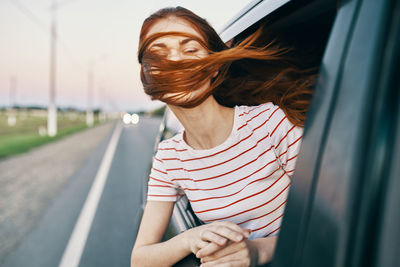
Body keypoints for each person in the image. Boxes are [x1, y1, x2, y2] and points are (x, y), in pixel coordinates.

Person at [131, 6, 315, 267]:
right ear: (149, 75)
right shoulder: (168, 158)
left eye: (190, 50)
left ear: (213, 68)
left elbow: (331, 223)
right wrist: (190, 238)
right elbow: (140, 259)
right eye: (160, 55)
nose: (176, 63)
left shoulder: (270, 123)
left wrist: (258, 250)